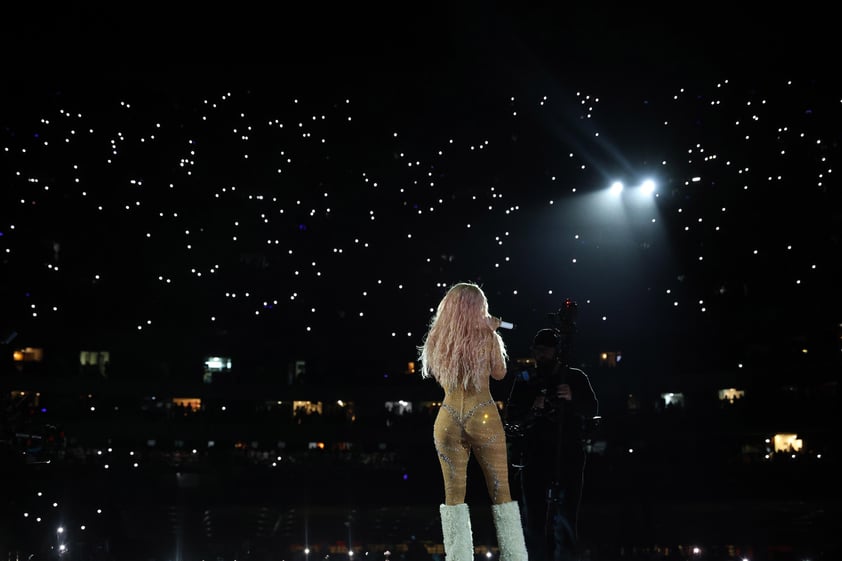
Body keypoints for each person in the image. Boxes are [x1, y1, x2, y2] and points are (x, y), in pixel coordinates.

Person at [418, 282, 528, 561]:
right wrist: (489, 332)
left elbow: (435, 374)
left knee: (453, 496)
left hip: (447, 418)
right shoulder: (487, 336)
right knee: (501, 491)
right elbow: (500, 373)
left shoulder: (437, 338)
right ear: (480, 308)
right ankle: (515, 556)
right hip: (483, 415)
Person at [505, 328, 599, 561]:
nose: (540, 355)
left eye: (544, 350)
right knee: (534, 517)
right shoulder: (525, 380)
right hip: (535, 454)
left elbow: (592, 409)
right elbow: (512, 417)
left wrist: (571, 398)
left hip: (567, 453)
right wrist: (533, 408)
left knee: (567, 516)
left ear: (556, 351)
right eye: (536, 350)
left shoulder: (574, 377)